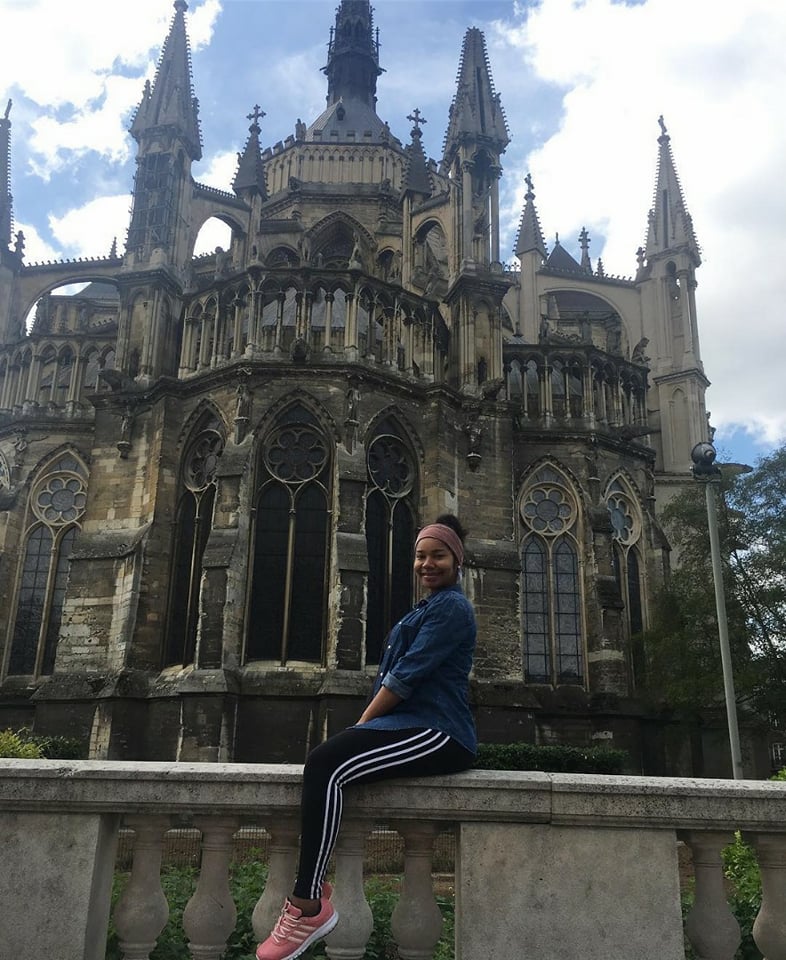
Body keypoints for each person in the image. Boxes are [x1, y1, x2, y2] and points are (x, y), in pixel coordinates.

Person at [256, 514, 477, 960]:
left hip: (439, 731)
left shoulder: (452, 608)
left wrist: (362, 727)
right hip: (410, 725)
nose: (427, 564)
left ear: (457, 561)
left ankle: (307, 905)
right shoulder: (426, 608)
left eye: (437, 555)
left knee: (327, 764)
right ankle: (310, 897)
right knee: (326, 763)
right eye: (420, 556)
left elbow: (404, 678)